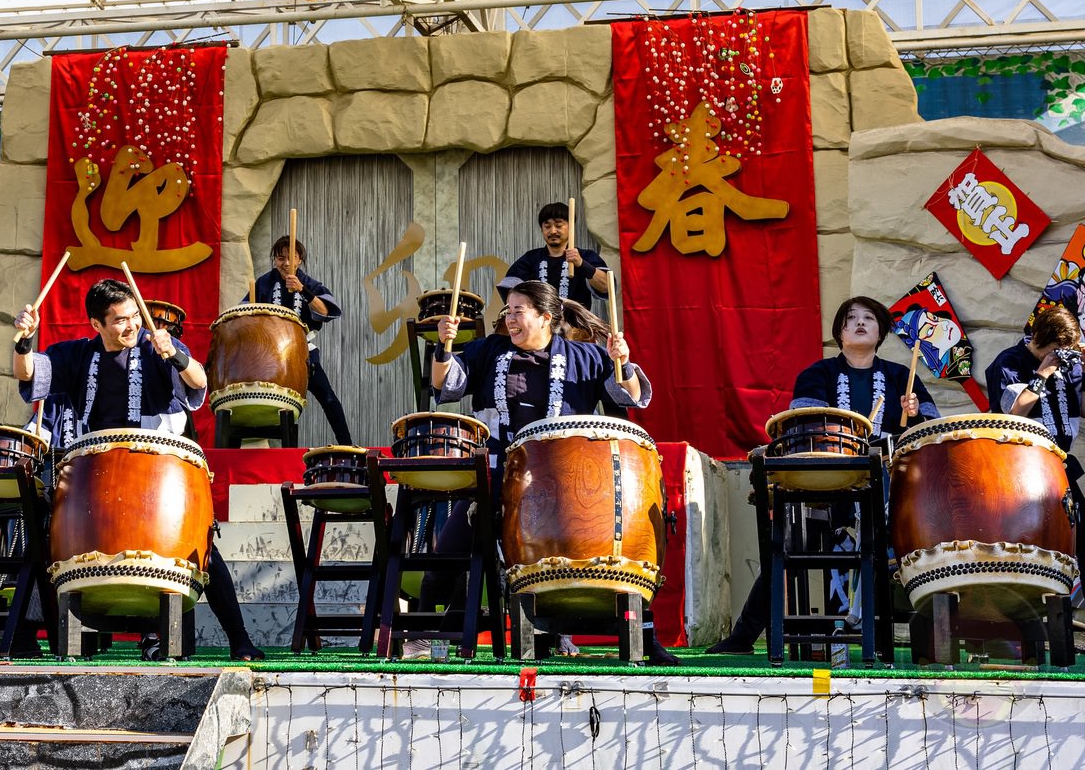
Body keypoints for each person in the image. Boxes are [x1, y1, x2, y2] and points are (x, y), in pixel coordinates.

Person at [12, 278, 265, 661]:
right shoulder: (78, 355)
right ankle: (24, 633)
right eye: (120, 320)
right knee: (43, 536)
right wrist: (24, 342)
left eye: (134, 316)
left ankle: (239, 638)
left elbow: (199, 381)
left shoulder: (156, 348)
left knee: (202, 550)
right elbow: (28, 373)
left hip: (156, 477)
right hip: (96, 482)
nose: (131, 325)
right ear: (96, 324)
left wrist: (176, 355)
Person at [427, 280, 677, 664]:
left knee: (609, 547)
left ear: (545, 317)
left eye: (518, 311)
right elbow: (444, 383)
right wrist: (443, 347)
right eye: (508, 311)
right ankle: (432, 636)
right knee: (447, 557)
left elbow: (631, 396)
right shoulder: (489, 351)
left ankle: (637, 634)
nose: (510, 319)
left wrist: (622, 362)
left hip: (571, 485)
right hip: (500, 474)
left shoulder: (585, 357)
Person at [708, 296, 939, 654]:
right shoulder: (817, 375)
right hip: (823, 487)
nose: (859, 323)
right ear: (839, 332)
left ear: (880, 332)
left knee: (916, 540)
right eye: (851, 318)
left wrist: (917, 412)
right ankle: (743, 636)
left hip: (886, 489)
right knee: (785, 546)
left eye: (868, 318)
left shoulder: (902, 378)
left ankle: (917, 638)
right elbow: (805, 428)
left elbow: (928, 434)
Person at [245, 236, 352, 445]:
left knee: (328, 397)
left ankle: (347, 445)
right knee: (273, 402)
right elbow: (244, 314)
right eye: (280, 258)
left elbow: (326, 311)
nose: (285, 263)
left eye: (290, 257)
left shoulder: (309, 283)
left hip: (304, 353)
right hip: (269, 357)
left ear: (299, 259)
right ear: (275, 260)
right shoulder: (263, 283)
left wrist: (303, 290)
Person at [985, 304, 1084, 450]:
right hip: (1021, 453)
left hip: (1060, 456)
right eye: (1055, 349)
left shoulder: (1067, 363)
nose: (1060, 355)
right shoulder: (1009, 362)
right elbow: (1014, 415)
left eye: (1066, 350)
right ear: (1038, 337)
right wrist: (1042, 374)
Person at [500, 202, 610, 310]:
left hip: (577, 321)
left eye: (559, 225)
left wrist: (582, 264)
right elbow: (510, 292)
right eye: (547, 226)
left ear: (571, 227)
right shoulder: (531, 258)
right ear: (542, 229)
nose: (552, 231)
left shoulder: (586, 256)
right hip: (540, 321)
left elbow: (606, 287)